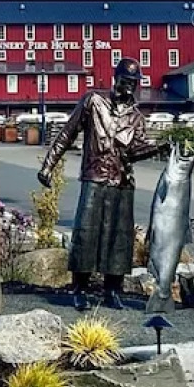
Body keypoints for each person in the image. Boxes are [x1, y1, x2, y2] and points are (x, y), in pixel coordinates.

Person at [37, 56, 164, 310]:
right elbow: (67, 133)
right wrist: (48, 165)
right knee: (86, 232)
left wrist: (160, 148)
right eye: (127, 81)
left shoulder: (136, 117)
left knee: (119, 237)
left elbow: (135, 151)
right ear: (116, 78)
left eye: (134, 83)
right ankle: (79, 289)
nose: (130, 87)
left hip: (122, 182)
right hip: (95, 177)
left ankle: (112, 291)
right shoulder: (93, 102)